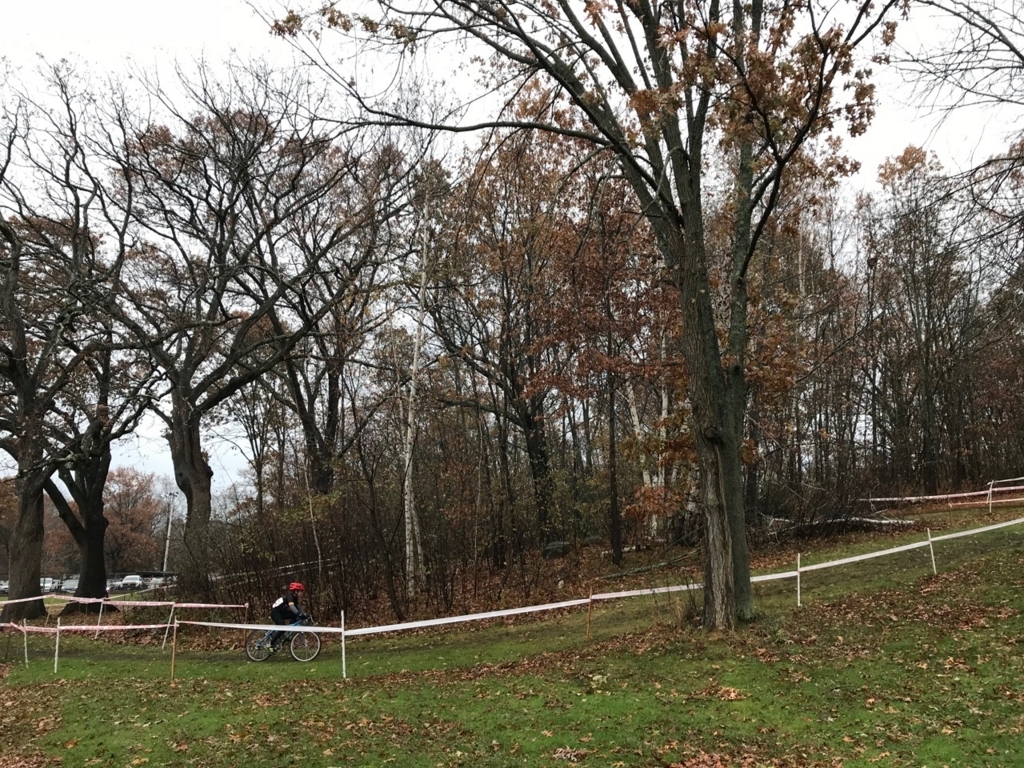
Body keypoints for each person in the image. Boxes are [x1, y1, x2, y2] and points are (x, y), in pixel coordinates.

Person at [268, 582, 307, 651]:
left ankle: (288, 631)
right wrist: (299, 614)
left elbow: (298, 608)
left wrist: (304, 615)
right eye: (301, 591)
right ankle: (270, 644)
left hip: (282, 612)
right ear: (296, 591)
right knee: (282, 626)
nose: (302, 593)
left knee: (294, 615)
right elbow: (292, 607)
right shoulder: (290, 597)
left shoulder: (295, 598)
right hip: (275, 612)